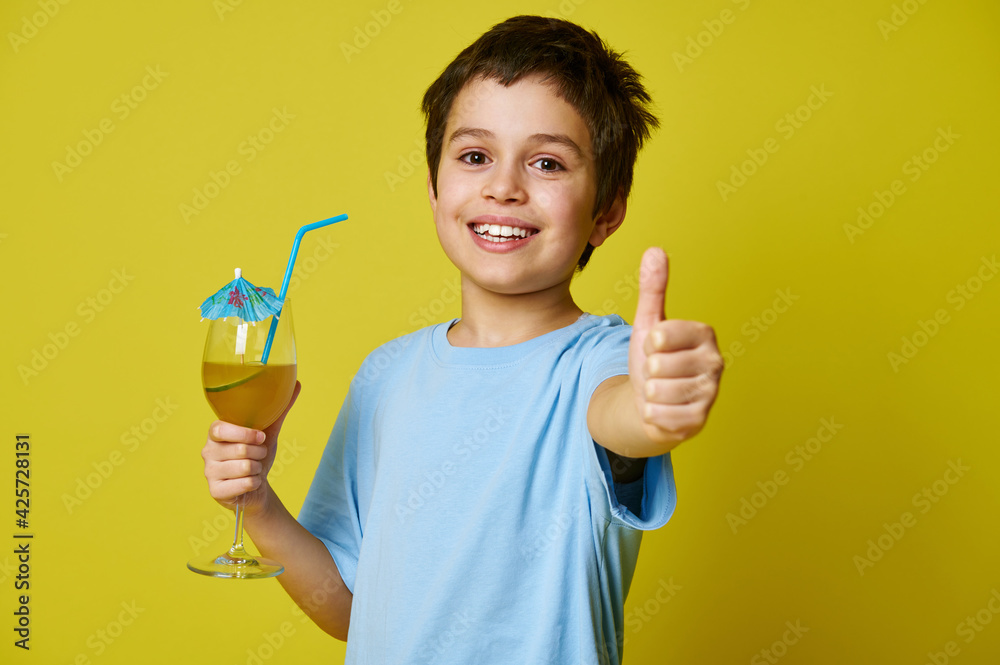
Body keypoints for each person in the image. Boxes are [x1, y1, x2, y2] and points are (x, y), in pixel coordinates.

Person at [200, 15, 723, 664]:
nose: (503, 186)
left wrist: (656, 404)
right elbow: (347, 608)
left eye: (547, 162)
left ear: (607, 210)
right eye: (475, 156)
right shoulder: (385, 375)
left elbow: (625, 416)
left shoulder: (599, 360)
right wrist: (257, 504)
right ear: (433, 184)